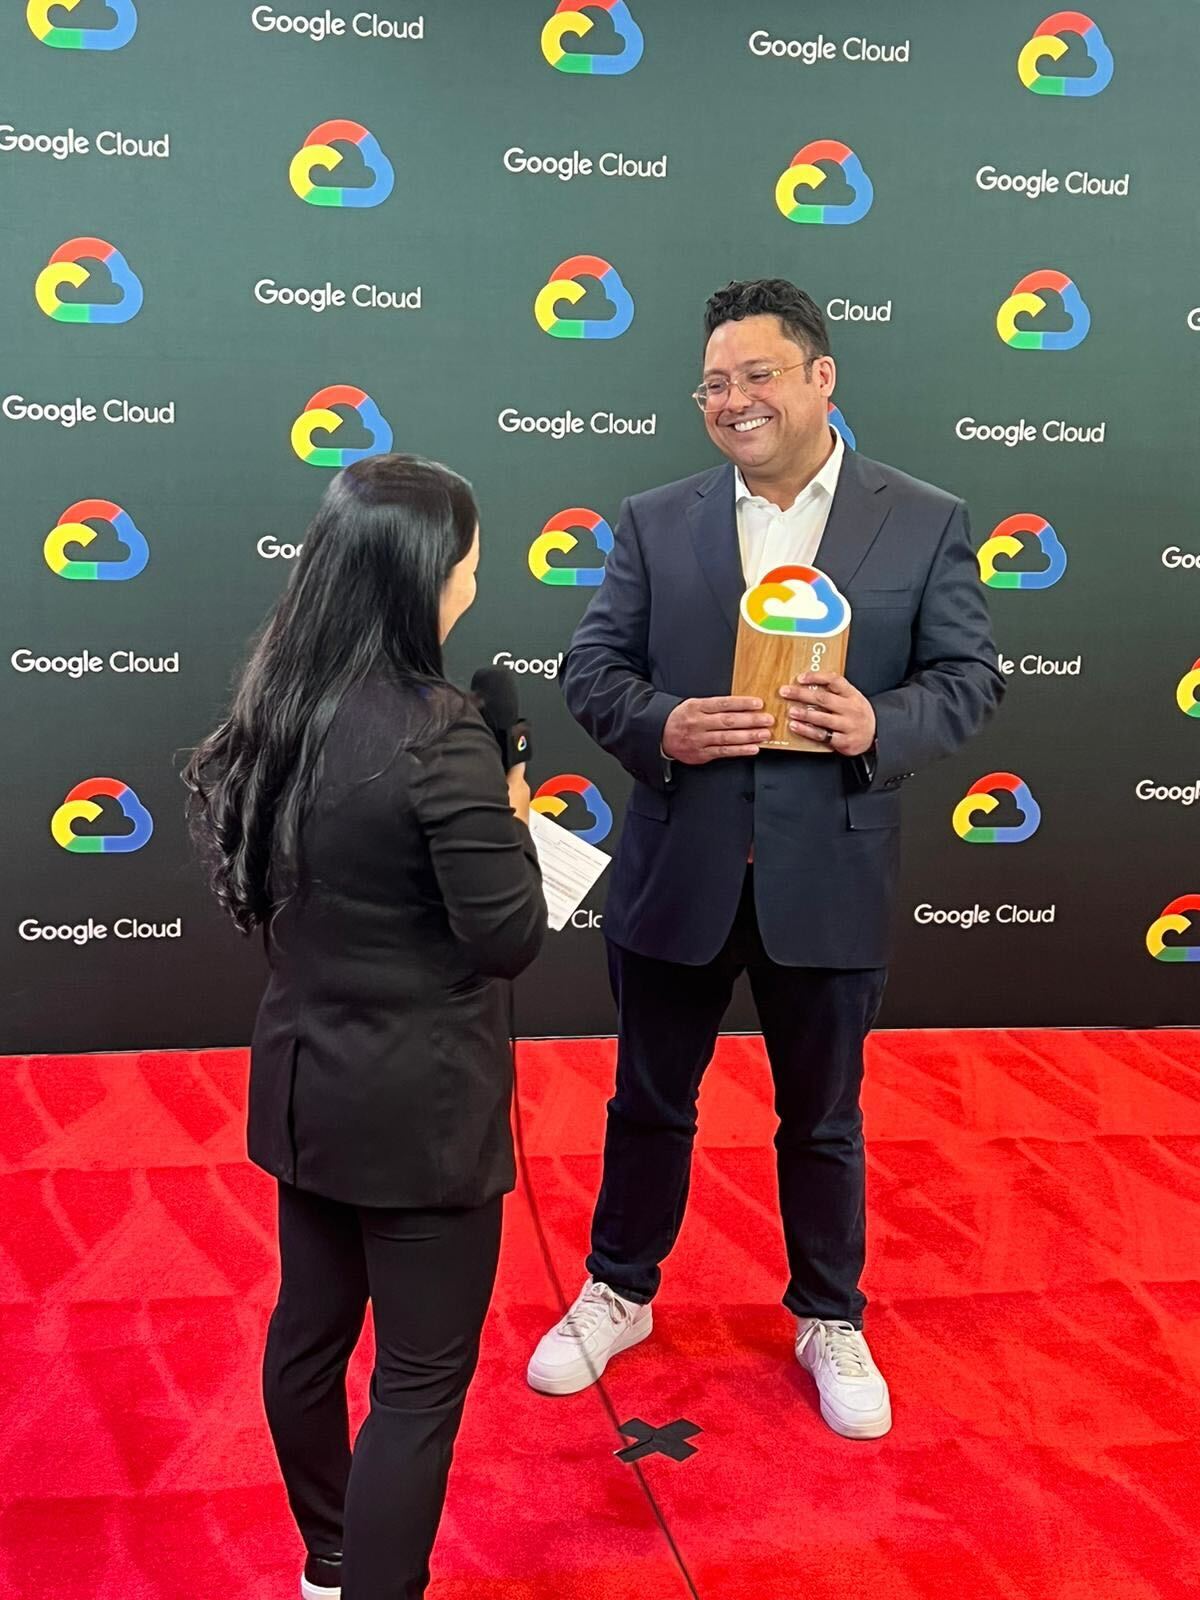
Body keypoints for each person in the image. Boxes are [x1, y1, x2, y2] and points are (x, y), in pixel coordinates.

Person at [527, 278, 1004, 1439]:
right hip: (677, 868)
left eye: (757, 375)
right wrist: (663, 726)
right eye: (714, 383)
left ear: (821, 378)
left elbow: (970, 678)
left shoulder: (925, 517)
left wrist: (881, 725)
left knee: (824, 1117)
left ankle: (830, 1312)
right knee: (649, 1101)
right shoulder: (653, 518)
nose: (733, 400)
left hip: (828, 876)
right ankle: (618, 1288)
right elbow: (592, 670)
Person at [184, 454, 546, 1599]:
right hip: (422, 1111)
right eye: (472, 566)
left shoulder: (277, 706)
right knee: (418, 1385)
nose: (478, 584)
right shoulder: (445, 735)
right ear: (422, 578)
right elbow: (508, 935)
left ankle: (331, 1558)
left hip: (306, 1089)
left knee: (308, 1333)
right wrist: (514, 813)